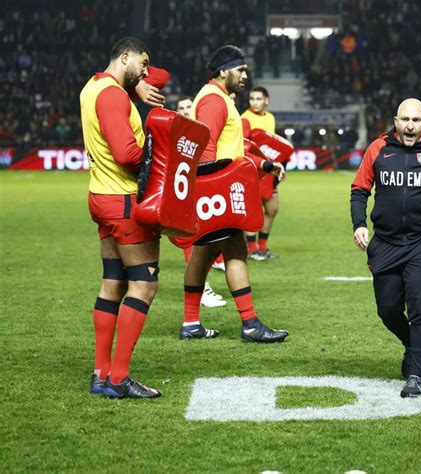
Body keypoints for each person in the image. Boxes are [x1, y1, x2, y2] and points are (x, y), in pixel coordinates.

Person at [350, 98, 421, 398]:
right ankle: (412, 345)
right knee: (387, 310)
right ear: (396, 121)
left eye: (416, 120)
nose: (410, 125)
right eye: (405, 120)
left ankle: (415, 375)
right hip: (385, 243)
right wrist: (359, 224)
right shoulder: (378, 149)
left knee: (420, 310)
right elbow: (360, 190)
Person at [180, 45, 288, 343]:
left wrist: (264, 164)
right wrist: (209, 194)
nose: (245, 75)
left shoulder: (217, 98)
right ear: (224, 70)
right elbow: (206, 148)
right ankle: (250, 323)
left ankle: (191, 323)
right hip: (218, 191)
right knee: (237, 251)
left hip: (215, 191)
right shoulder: (214, 100)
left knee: (201, 256)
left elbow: (233, 151)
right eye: (240, 70)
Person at [80, 37, 167, 399]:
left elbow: (156, 76)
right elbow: (127, 153)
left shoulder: (93, 87)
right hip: (124, 200)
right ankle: (118, 376)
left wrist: (141, 88)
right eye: (143, 64)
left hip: (101, 195)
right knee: (144, 284)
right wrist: (161, 146)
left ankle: (101, 373)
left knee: (113, 282)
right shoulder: (114, 95)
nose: (147, 72)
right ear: (125, 57)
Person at [175, 96, 226, 308]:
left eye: (189, 107)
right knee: (191, 239)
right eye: (182, 108)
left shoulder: (199, 133)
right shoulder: (177, 133)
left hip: (196, 189)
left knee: (202, 237)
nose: (186, 110)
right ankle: (201, 291)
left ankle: (203, 284)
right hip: (181, 192)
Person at [241, 86, 279, 260]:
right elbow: (244, 147)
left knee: (272, 208)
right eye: (252, 99)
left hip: (269, 170)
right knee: (252, 211)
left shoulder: (270, 118)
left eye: (258, 99)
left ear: (266, 100)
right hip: (253, 171)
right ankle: (252, 250)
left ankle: (262, 248)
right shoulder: (245, 119)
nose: (254, 102)